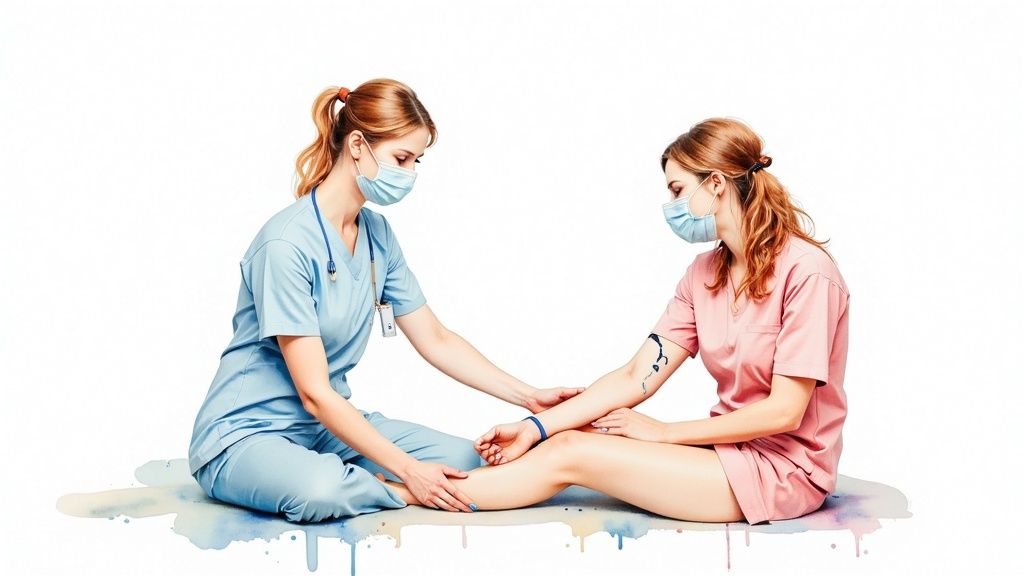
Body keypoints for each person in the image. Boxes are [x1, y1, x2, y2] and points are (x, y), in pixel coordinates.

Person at [381, 118, 850, 524]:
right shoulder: (705, 273)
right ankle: (450, 482)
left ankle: (401, 493)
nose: (671, 205)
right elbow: (635, 375)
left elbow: (784, 411)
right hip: (729, 454)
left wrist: (665, 433)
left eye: (677, 190)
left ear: (716, 184)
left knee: (571, 453)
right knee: (567, 435)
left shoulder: (807, 272)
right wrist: (535, 427)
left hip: (785, 472)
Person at [187, 78, 583, 523]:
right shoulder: (285, 244)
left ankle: (363, 480)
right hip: (244, 436)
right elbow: (314, 393)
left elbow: (436, 339)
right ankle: (392, 490)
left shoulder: (377, 235)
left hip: (324, 431)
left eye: (417, 161)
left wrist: (528, 397)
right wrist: (410, 474)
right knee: (321, 490)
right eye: (401, 158)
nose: (409, 174)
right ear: (357, 145)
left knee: (470, 464)